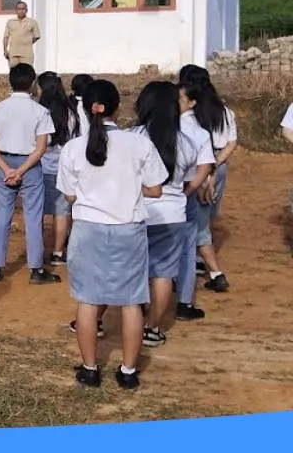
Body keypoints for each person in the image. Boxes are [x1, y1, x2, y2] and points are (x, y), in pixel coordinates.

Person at [58, 79, 166, 390]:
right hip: (128, 230)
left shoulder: (74, 148)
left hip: (88, 229)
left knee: (88, 301)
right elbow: (156, 189)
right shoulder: (138, 144)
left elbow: (69, 197)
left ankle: (90, 369)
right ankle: (128, 371)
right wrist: (130, 188)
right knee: (131, 302)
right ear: (117, 108)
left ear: (85, 107)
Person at [130, 81, 214, 349]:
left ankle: (126, 317)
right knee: (163, 274)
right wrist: (184, 192)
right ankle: (152, 328)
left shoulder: (133, 136)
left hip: (138, 211)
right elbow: (195, 176)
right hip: (173, 215)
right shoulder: (187, 142)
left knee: (132, 270)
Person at [0, 63, 59, 284]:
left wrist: (7, 169)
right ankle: (36, 269)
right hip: (30, 166)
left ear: (10, 82)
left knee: (2, 216)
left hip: (4, 163)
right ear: (33, 83)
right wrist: (22, 169)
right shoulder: (40, 111)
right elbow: (41, 147)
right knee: (33, 218)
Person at [179, 65, 235, 297]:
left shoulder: (192, 115)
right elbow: (231, 142)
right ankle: (198, 261)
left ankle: (214, 273)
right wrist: (216, 166)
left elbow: (198, 150)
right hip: (218, 166)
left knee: (196, 220)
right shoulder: (224, 110)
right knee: (207, 214)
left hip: (199, 169)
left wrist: (207, 174)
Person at [37, 72, 80, 265]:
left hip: (41, 167)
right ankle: (57, 252)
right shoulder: (71, 111)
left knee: (36, 211)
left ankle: (37, 251)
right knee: (62, 212)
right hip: (64, 170)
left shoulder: (40, 111)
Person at [2, 1, 40, 68]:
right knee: (14, 75)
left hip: (27, 55)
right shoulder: (10, 22)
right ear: (16, 10)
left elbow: (37, 36)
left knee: (27, 75)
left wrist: (27, 42)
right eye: (19, 9)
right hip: (13, 54)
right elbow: (6, 37)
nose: (21, 11)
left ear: (26, 10)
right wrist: (5, 50)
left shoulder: (32, 22)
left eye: (23, 9)